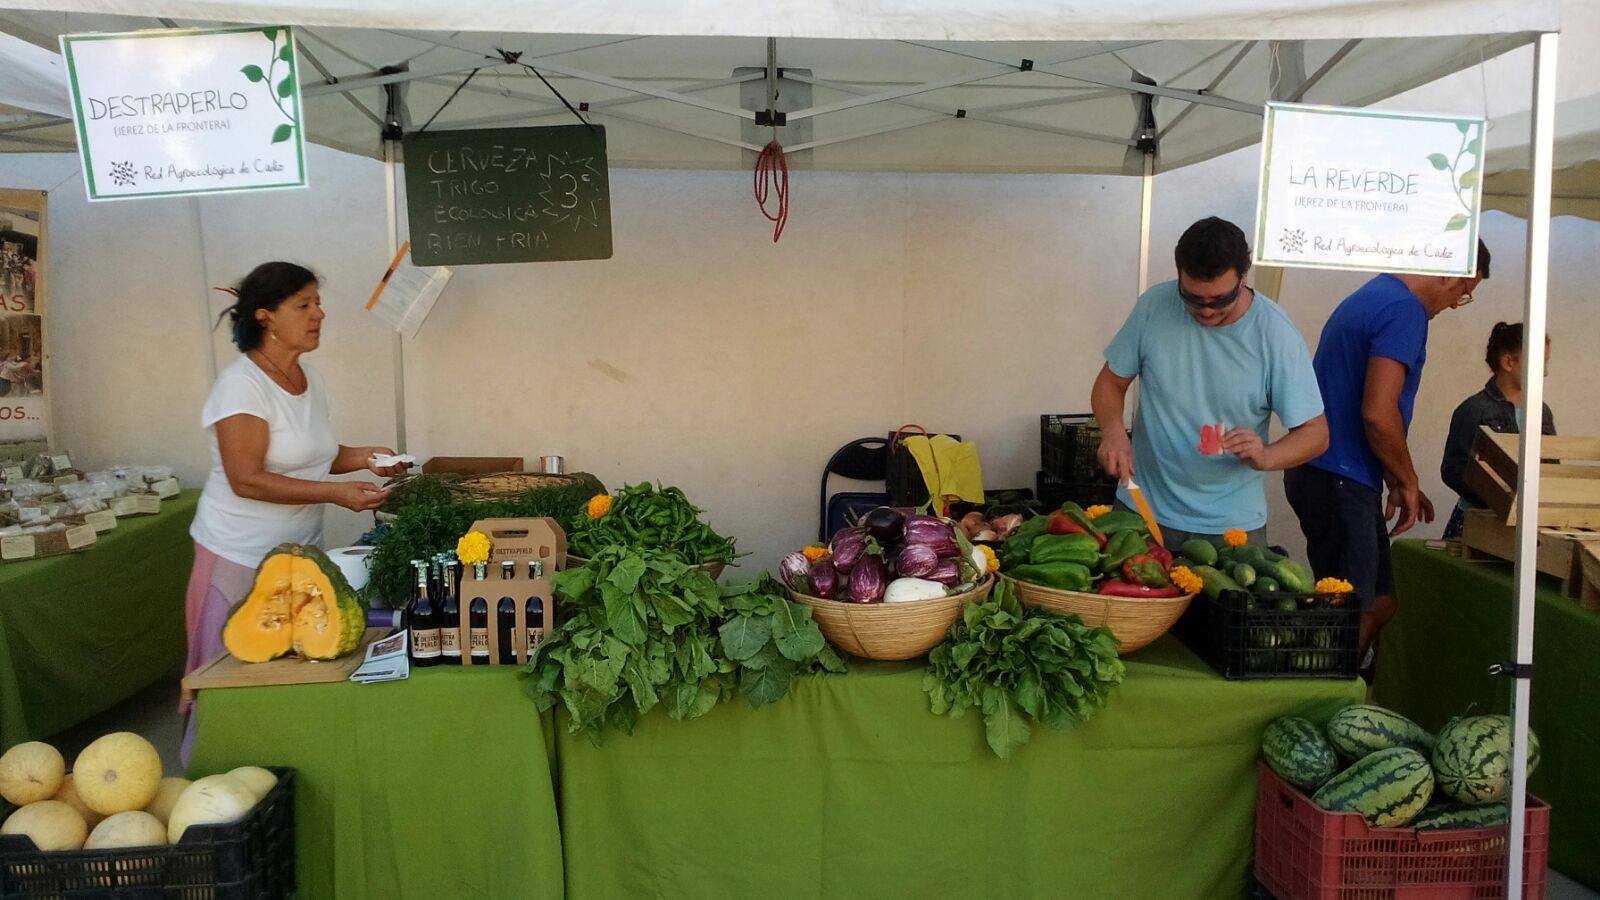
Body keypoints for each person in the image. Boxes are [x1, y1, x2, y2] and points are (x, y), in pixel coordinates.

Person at [183, 261, 409, 759]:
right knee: (234, 678)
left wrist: (369, 460)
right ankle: (216, 776)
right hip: (238, 558)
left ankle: (282, 768)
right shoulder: (241, 386)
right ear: (265, 316)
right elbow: (246, 479)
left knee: (291, 670)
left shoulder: (309, 378)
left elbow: (318, 455)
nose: (319, 314)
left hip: (297, 554)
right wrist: (335, 493)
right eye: (304, 305)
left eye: (317, 303)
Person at [1285, 242, 1490, 661]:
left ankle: (1333, 692)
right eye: (1462, 292)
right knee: (1353, 610)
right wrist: (1409, 479)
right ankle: (1325, 700)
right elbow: (1378, 413)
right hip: (1339, 475)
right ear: (1448, 271)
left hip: (1327, 472)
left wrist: (1397, 477)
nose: (1454, 305)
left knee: (1378, 601)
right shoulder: (1405, 310)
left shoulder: (1374, 295)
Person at [1092, 216, 1328, 548]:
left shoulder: (1275, 333)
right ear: (1179, 275)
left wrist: (1266, 456)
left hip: (1231, 526)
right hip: (1141, 509)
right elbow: (1110, 384)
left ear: (1243, 278)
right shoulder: (1154, 306)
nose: (1205, 310)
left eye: (1220, 300)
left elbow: (1315, 433)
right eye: (1192, 298)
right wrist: (1113, 432)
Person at [1440, 322, 1555, 539]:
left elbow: (1551, 465)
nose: (1546, 372)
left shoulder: (1542, 411)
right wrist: (1497, 498)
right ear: (1508, 362)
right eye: (1540, 362)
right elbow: (1453, 469)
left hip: (1529, 523)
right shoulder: (1473, 410)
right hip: (1480, 521)